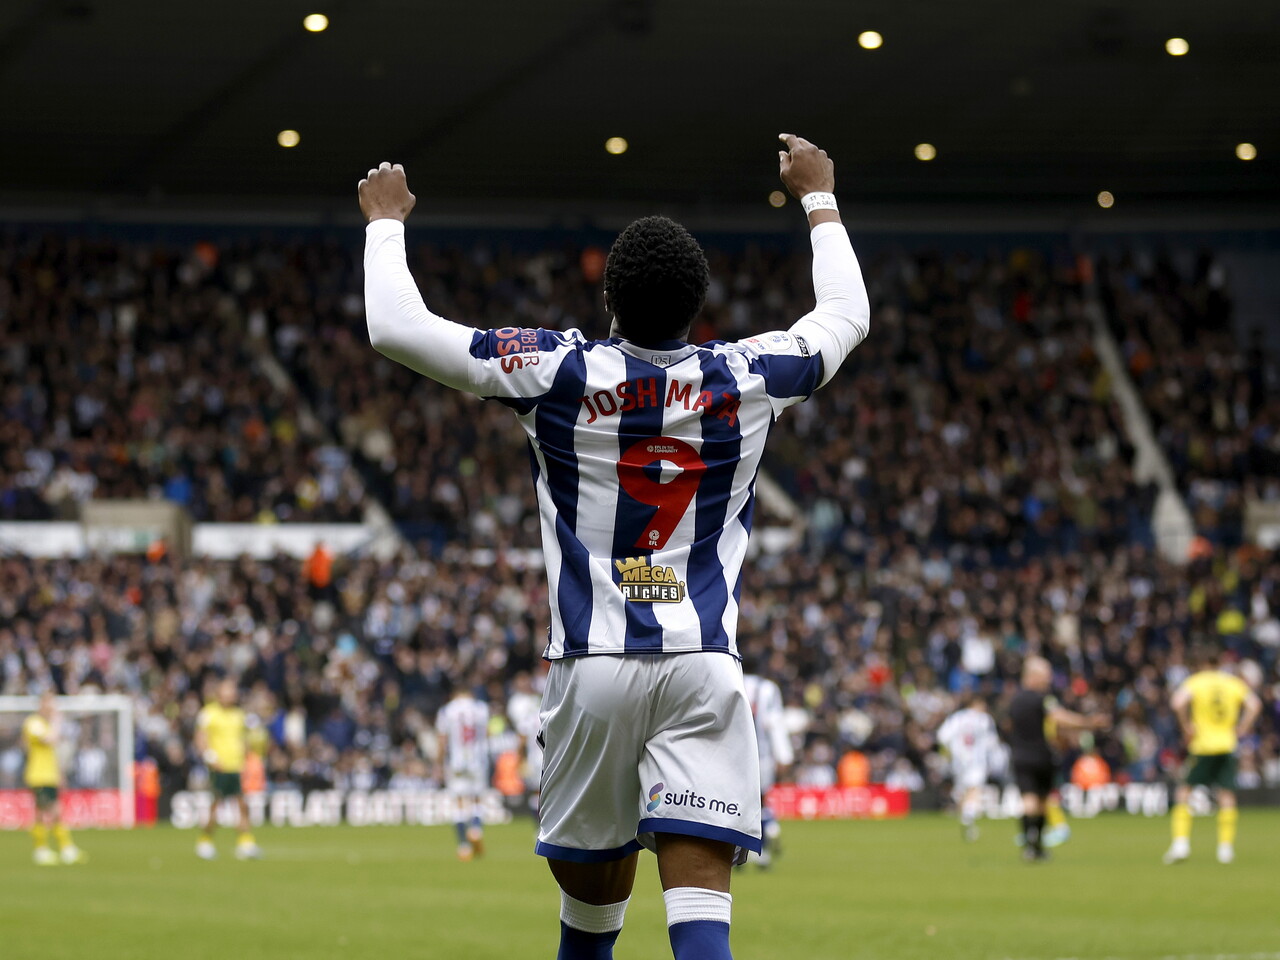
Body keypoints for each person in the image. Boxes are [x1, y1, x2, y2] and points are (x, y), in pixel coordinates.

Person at [360, 132, 868, 960]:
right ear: (698, 304)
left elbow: (397, 328)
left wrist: (385, 222)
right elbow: (847, 315)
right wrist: (819, 198)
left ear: (609, 298)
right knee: (701, 913)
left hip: (592, 665)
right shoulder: (748, 376)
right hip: (702, 662)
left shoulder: (559, 370)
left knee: (592, 919)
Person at [1163, 649, 1262, 865]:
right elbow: (1255, 705)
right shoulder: (1232, 682)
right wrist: (1243, 727)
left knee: (1184, 791)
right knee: (1226, 795)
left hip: (1203, 745)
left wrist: (1186, 726)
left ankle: (1181, 844)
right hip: (1227, 744)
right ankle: (1225, 849)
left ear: (1201, 663)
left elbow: (1177, 703)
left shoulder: (1197, 681)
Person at [1006, 657, 1104, 861]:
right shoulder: (1043, 699)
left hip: (1020, 755)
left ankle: (1029, 845)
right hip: (1041, 755)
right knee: (1041, 800)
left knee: (1028, 800)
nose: (1049, 680)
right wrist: (1087, 723)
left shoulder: (1014, 700)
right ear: (1033, 676)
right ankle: (1037, 845)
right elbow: (1059, 717)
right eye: (1045, 676)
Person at [194, 677, 262, 860]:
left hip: (237, 766)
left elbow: (245, 739)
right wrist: (210, 757)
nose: (231, 695)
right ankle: (205, 841)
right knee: (216, 805)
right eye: (228, 691)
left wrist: (249, 756)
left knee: (242, 805)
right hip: (220, 766)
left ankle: (245, 842)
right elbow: (200, 738)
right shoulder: (209, 713)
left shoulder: (239, 714)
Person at [741, 659, 794, 867]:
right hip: (762, 758)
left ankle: (741, 851)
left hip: (735, 758)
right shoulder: (768, 689)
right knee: (761, 801)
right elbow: (775, 724)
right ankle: (768, 832)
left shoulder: (731, 679)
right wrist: (784, 756)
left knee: (739, 804)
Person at [22, 691, 85, 865]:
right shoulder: (34, 723)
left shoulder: (45, 724)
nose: (52, 708)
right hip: (39, 775)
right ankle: (48, 849)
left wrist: (59, 775)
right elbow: (49, 740)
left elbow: (53, 751)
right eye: (50, 704)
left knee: (50, 812)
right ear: (42, 704)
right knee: (48, 812)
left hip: (50, 775)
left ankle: (58, 849)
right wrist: (57, 721)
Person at [435, 680, 491, 860]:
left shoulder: (447, 710)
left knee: (459, 801)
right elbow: (487, 733)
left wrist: (438, 763)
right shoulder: (481, 708)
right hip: (477, 760)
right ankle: (475, 828)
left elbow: (442, 739)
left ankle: (463, 846)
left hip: (457, 761)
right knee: (476, 799)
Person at [936, 694, 998, 841]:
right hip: (977, 761)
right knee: (974, 790)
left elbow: (942, 736)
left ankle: (967, 821)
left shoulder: (957, 718)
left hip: (959, 761)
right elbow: (992, 743)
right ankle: (968, 818)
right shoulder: (984, 719)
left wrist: (950, 753)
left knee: (963, 791)